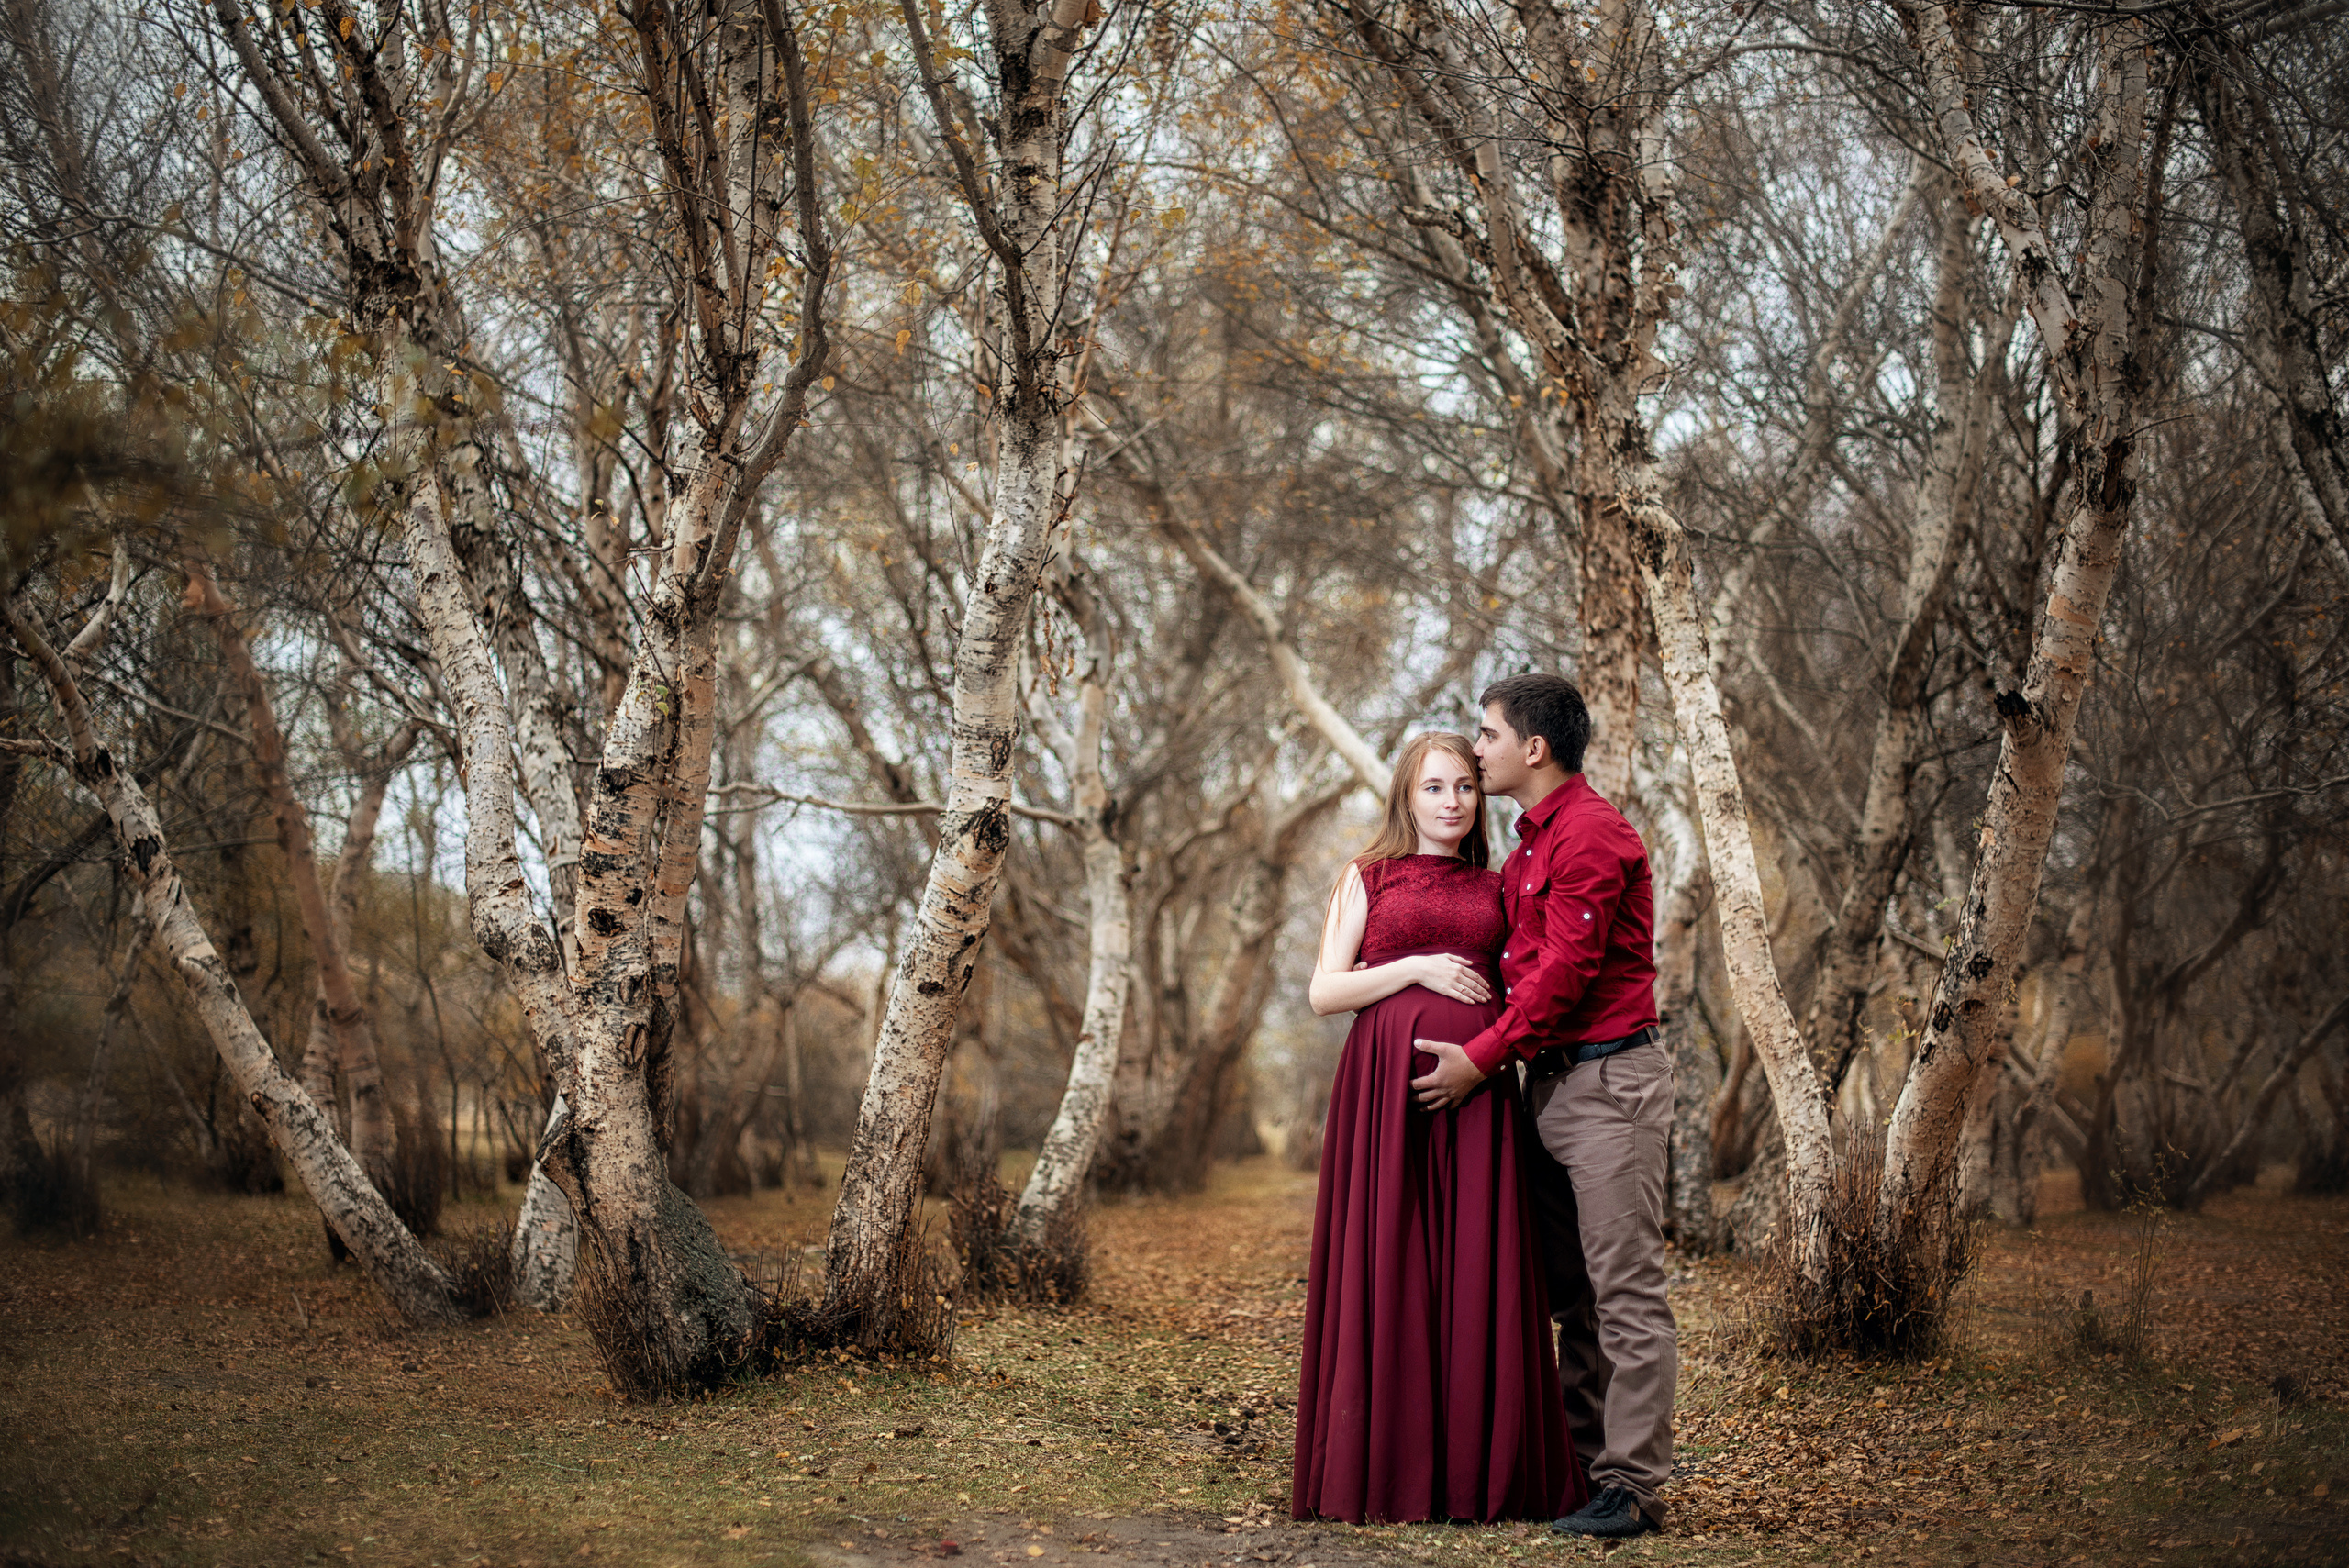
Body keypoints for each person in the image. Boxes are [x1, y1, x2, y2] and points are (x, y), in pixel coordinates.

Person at [1291, 732, 1585, 1526]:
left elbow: (1537, 982)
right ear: (1406, 797)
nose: (1451, 801)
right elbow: (1325, 991)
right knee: (1391, 1252)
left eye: (1462, 786)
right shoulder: (1368, 875)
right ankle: (1384, 1466)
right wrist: (1417, 968)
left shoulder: (1501, 886)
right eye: (1433, 788)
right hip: (1383, 1092)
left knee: (1477, 1263)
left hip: (1482, 1094)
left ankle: (1475, 1471)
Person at [1409, 674, 1676, 1540]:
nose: (1474, 747)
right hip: (1552, 1087)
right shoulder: (1526, 845)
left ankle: (1632, 1488)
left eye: (1487, 734)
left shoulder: (1593, 835)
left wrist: (1478, 1062)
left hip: (1610, 1085)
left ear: (1533, 747)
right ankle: (1584, 1467)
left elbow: (1561, 976)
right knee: (1573, 1295)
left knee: (1625, 1291)